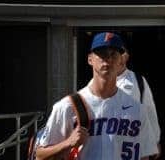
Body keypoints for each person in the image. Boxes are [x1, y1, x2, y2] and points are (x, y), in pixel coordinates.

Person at [36, 32, 157, 160]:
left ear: (121, 60)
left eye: (113, 54)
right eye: (102, 54)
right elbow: (39, 155)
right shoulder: (68, 106)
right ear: (90, 59)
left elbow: (144, 156)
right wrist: (67, 143)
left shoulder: (137, 110)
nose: (108, 59)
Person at [117, 50, 161, 159]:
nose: (118, 57)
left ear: (126, 56)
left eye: (121, 53)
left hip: (134, 145)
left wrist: (155, 140)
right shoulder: (100, 81)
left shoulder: (138, 80)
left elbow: (150, 110)